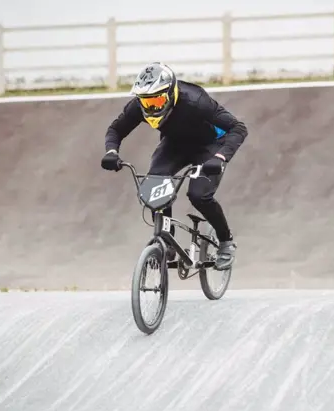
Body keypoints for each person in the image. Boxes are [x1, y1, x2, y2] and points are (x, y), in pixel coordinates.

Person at [101, 62, 248, 271]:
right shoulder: (139, 106)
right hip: (175, 144)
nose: (151, 107)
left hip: (209, 146)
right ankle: (166, 242)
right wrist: (111, 152)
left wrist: (220, 157)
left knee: (199, 195)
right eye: (146, 101)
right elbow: (116, 130)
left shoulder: (195, 101)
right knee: (155, 185)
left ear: (170, 93)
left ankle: (226, 241)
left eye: (157, 100)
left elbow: (238, 128)